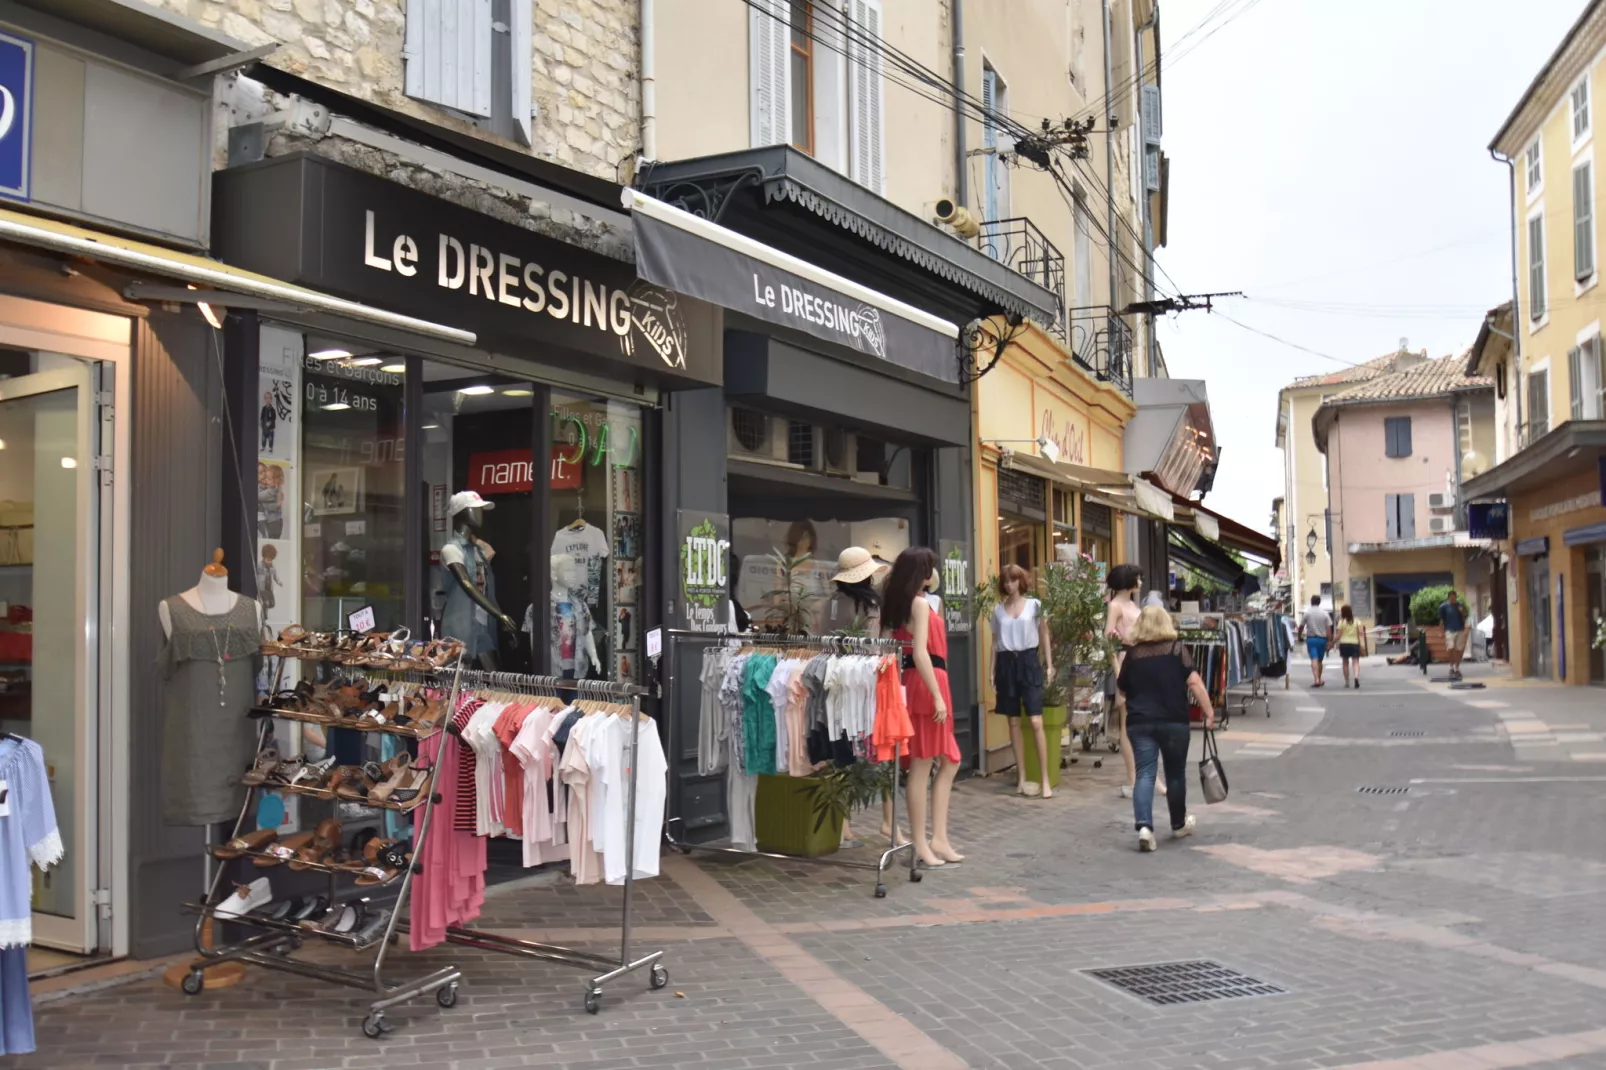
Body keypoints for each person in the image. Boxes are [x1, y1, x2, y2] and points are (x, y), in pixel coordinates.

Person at [883, 547, 963, 869]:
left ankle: (938, 838)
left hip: (930, 681)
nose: (932, 574)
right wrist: (937, 695)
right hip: (926, 683)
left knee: (949, 759)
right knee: (921, 765)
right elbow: (919, 653)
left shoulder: (912, 602)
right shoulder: (916, 604)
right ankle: (921, 842)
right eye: (929, 568)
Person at [1116, 606, 1215, 852]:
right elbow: (1194, 682)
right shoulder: (1176, 650)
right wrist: (1209, 711)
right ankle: (1178, 823)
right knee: (1175, 773)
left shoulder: (1133, 655)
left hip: (1140, 722)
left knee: (1145, 773)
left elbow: (1122, 689)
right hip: (1174, 721)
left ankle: (1145, 827)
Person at [989, 564, 1054, 798]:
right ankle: (1022, 776)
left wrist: (1049, 664)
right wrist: (991, 670)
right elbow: (995, 643)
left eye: (1013, 580)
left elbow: (1044, 634)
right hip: (1006, 663)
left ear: (1020, 581)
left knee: (1036, 721)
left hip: (1029, 661)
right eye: (1006, 581)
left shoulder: (1035, 605)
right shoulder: (997, 611)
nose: (1009, 584)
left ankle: (1045, 779)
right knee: (1013, 722)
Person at [1106, 564, 1159, 799]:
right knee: (1129, 722)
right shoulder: (1116, 605)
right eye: (1138, 578)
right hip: (1126, 660)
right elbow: (1109, 640)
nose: (1140, 582)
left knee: (1142, 720)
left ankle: (1147, 777)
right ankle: (1134, 778)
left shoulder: (1131, 604)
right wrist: (1118, 673)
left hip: (1140, 659)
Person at [1298, 595, 1333, 688]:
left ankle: (1316, 679)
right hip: (1322, 640)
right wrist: (1330, 641)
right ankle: (1319, 679)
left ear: (1311, 601)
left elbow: (1301, 626)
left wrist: (1299, 636)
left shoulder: (1307, 613)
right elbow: (1329, 629)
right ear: (1319, 602)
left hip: (1311, 639)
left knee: (1314, 659)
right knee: (1320, 660)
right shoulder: (1325, 613)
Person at [1439, 589, 1468, 681]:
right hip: (1449, 630)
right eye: (1451, 598)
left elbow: (1464, 616)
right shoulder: (1444, 606)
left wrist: (1461, 611)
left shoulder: (1459, 605)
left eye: (1454, 598)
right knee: (1450, 648)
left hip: (1459, 629)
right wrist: (1441, 631)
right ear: (1448, 598)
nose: (1453, 599)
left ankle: (1457, 667)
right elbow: (1441, 620)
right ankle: (1451, 666)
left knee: (1459, 650)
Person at [1336, 604, 1366, 689]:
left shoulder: (1341, 622)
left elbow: (1338, 635)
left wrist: (1333, 642)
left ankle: (1347, 682)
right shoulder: (1357, 621)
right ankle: (1356, 677)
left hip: (1344, 643)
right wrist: (1362, 644)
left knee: (1345, 663)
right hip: (1355, 643)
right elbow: (1361, 634)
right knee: (1355, 662)